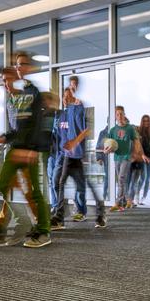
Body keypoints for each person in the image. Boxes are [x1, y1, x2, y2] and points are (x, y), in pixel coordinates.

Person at [0, 53, 51, 248]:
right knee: (3, 185)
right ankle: (19, 221)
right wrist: (6, 137)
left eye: (22, 65)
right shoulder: (12, 99)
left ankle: (43, 231)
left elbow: (36, 123)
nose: (19, 68)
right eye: (16, 65)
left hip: (29, 150)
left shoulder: (33, 92)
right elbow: (17, 127)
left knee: (34, 192)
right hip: (14, 148)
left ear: (29, 68)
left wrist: (32, 149)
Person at [51, 88, 106, 229]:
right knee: (60, 183)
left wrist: (74, 143)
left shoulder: (77, 110)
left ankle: (99, 214)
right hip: (65, 156)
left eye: (68, 96)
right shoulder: (62, 114)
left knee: (80, 185)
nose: (65, 98)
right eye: (63, 96)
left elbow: (85, 131)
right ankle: (59, 217)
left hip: (77, 155)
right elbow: (59, 135)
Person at [105, 105, 139, 212]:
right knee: (121, 181)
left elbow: (136, 142)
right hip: (117, 157)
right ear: (115, 116)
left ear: (124, 115)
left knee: (121, 178)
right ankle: (125, 201)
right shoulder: (112, 130)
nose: (119, 116)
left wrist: (134, 154)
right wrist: (106, 150)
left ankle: (117, 202)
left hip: (126, 157)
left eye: (121, 114)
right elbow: (107, 145)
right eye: (117, 114)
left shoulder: (130, 129)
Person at [136, 114, 150, 205]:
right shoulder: (138, 130)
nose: (146, 122)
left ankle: (144, 197)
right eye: (144, 121)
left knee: (148, 178)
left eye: (147, 121)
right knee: (143, 177)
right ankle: (136, 195)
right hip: (142, 156)